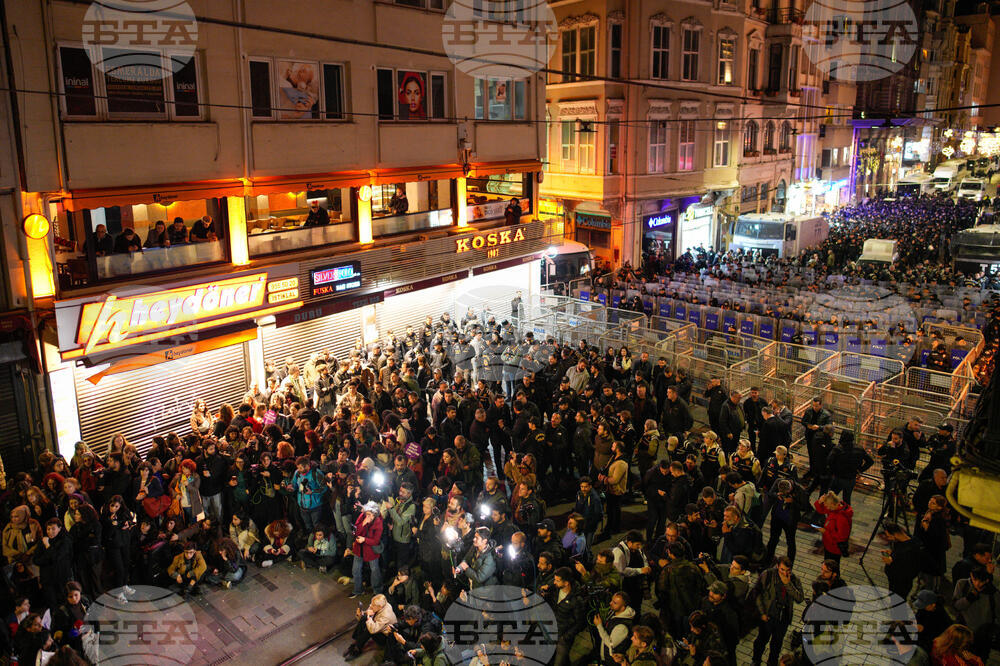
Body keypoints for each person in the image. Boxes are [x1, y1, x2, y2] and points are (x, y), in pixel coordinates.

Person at [751, 556, 804, 666]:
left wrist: (787, 584)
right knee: (761, 640)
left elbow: (799, 598)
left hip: (783, 618)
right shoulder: (768, 575)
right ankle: (756, 660)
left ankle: (772, 662)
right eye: (782, 570)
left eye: (788, 570)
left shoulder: (793, 579)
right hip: (768, 615)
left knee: (776, 644)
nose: (785, 573)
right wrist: (762, 613)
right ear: (777, 566)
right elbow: (757, 593)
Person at [953, 567, 1000, 660]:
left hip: (983, 636)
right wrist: (969, 599)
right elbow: (956, 606)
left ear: (986, 580)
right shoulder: (962, 584)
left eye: (981, 581)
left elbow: (998, 614)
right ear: (971, 575)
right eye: (975, 580)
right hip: (963, 631)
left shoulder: (993, 593)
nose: (977, 584)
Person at [343, 593, 397, 661]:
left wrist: (369, 617)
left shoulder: (386, 615)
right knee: (364, 618)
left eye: (373, 605)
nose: (370, 605)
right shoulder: (378, 605)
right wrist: (360, 614)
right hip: (377, 627)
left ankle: (357, 649)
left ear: (380, 607)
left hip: (385, 637)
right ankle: (356, 642)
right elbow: (367, 614)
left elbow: (372, 629)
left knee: (369, 630)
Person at [346, 501, 384, 598]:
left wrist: (364, 539)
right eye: (366, 513)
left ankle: (377, 591)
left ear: (375, 514)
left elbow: (375, 541)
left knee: (375, 570)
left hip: (371, 551)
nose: (367, 516)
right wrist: (363, 523)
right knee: (355, 570)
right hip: (359, 549)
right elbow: (355, 531)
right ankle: (358, 590)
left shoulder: (378, 522)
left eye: (369, 514)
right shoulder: (363, 516)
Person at [813, 490, 853, 562]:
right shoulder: (834, 509)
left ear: (834, 504)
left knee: (833, 567)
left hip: (834, 549)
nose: (827, 509)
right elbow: (821, 510)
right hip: (829, 545)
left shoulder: (842, 518)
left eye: (828, 507)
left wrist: (825, 532)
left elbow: (841, 537)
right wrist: (819, 501)